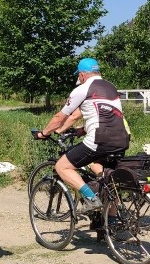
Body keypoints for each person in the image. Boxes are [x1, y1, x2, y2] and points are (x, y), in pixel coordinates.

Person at [36, 57, 130, 213]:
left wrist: (44, 133)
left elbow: (61, 117)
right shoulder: (111, 87)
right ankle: (111, 224)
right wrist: (84, 129)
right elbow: (106, 115)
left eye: (78, 75)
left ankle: (91, 199)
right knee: (107, 180)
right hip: (122, 138)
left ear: (82, 74)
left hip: (100, 139)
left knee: (62, 166)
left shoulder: (83, 88)